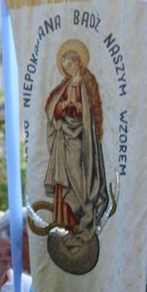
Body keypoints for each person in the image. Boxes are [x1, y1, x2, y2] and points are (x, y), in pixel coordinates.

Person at [43, 39, 108, 241]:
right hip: (64, 135)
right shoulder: (64, 85)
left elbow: (91, 112)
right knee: (66, 177)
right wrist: (62, 107)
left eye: (70, 65)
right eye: (65, 67)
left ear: (78, 62)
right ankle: (68, 223)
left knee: (78, 174)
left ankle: (86, 213)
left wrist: (78, 108)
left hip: (80, 137)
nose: (68, 69)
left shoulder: (87, 84)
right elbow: (52, 108)